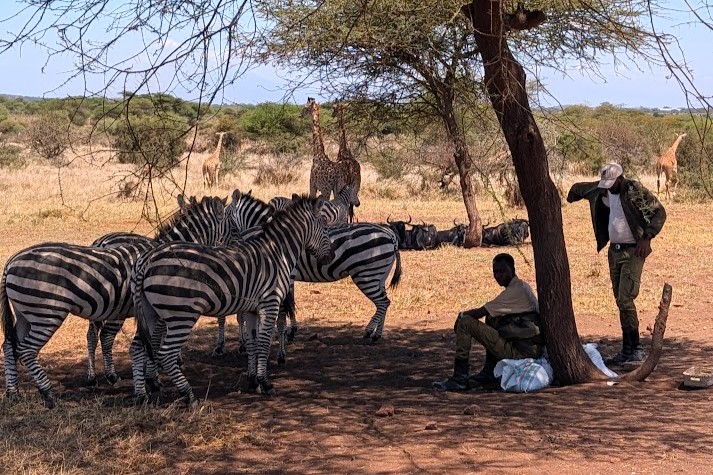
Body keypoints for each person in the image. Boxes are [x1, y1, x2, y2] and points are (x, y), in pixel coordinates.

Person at [567, 163, 666, 364]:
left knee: (625, 298)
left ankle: (636, 348)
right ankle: (627, 350)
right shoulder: (600, 189)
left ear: (620, 179)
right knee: (619, 300)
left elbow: (659, 212)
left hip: (634, 250)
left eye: (612, 183)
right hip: (614, 251)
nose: (609, 187)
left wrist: (647, 237)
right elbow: (580, 188)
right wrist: (569, 196)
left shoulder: (633, 190)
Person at [433, 253, 544, 391]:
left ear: (513, 270)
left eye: (502, 271)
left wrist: (461, 316)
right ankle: (489, 372)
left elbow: (480, 312)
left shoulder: (516, 290)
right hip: (528, 348)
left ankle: (459, 378)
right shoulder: (521, 286)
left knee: (466, 323)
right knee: (493, 317)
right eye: (495, 272)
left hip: (521, 353)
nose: (498, 276)